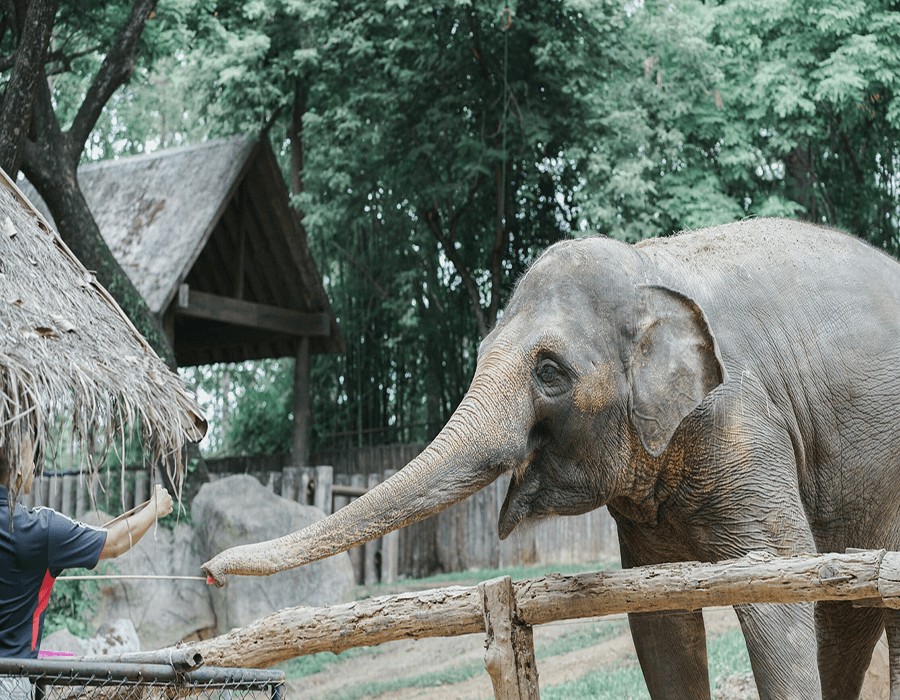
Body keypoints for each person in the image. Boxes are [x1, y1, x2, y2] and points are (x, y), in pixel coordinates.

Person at [0, 457, 173, 660]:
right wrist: (154, 509)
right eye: (30, 459)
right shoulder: (41, 528)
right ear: (18, 468)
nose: (34, 466)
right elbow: (114, 543)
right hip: (11, 678)